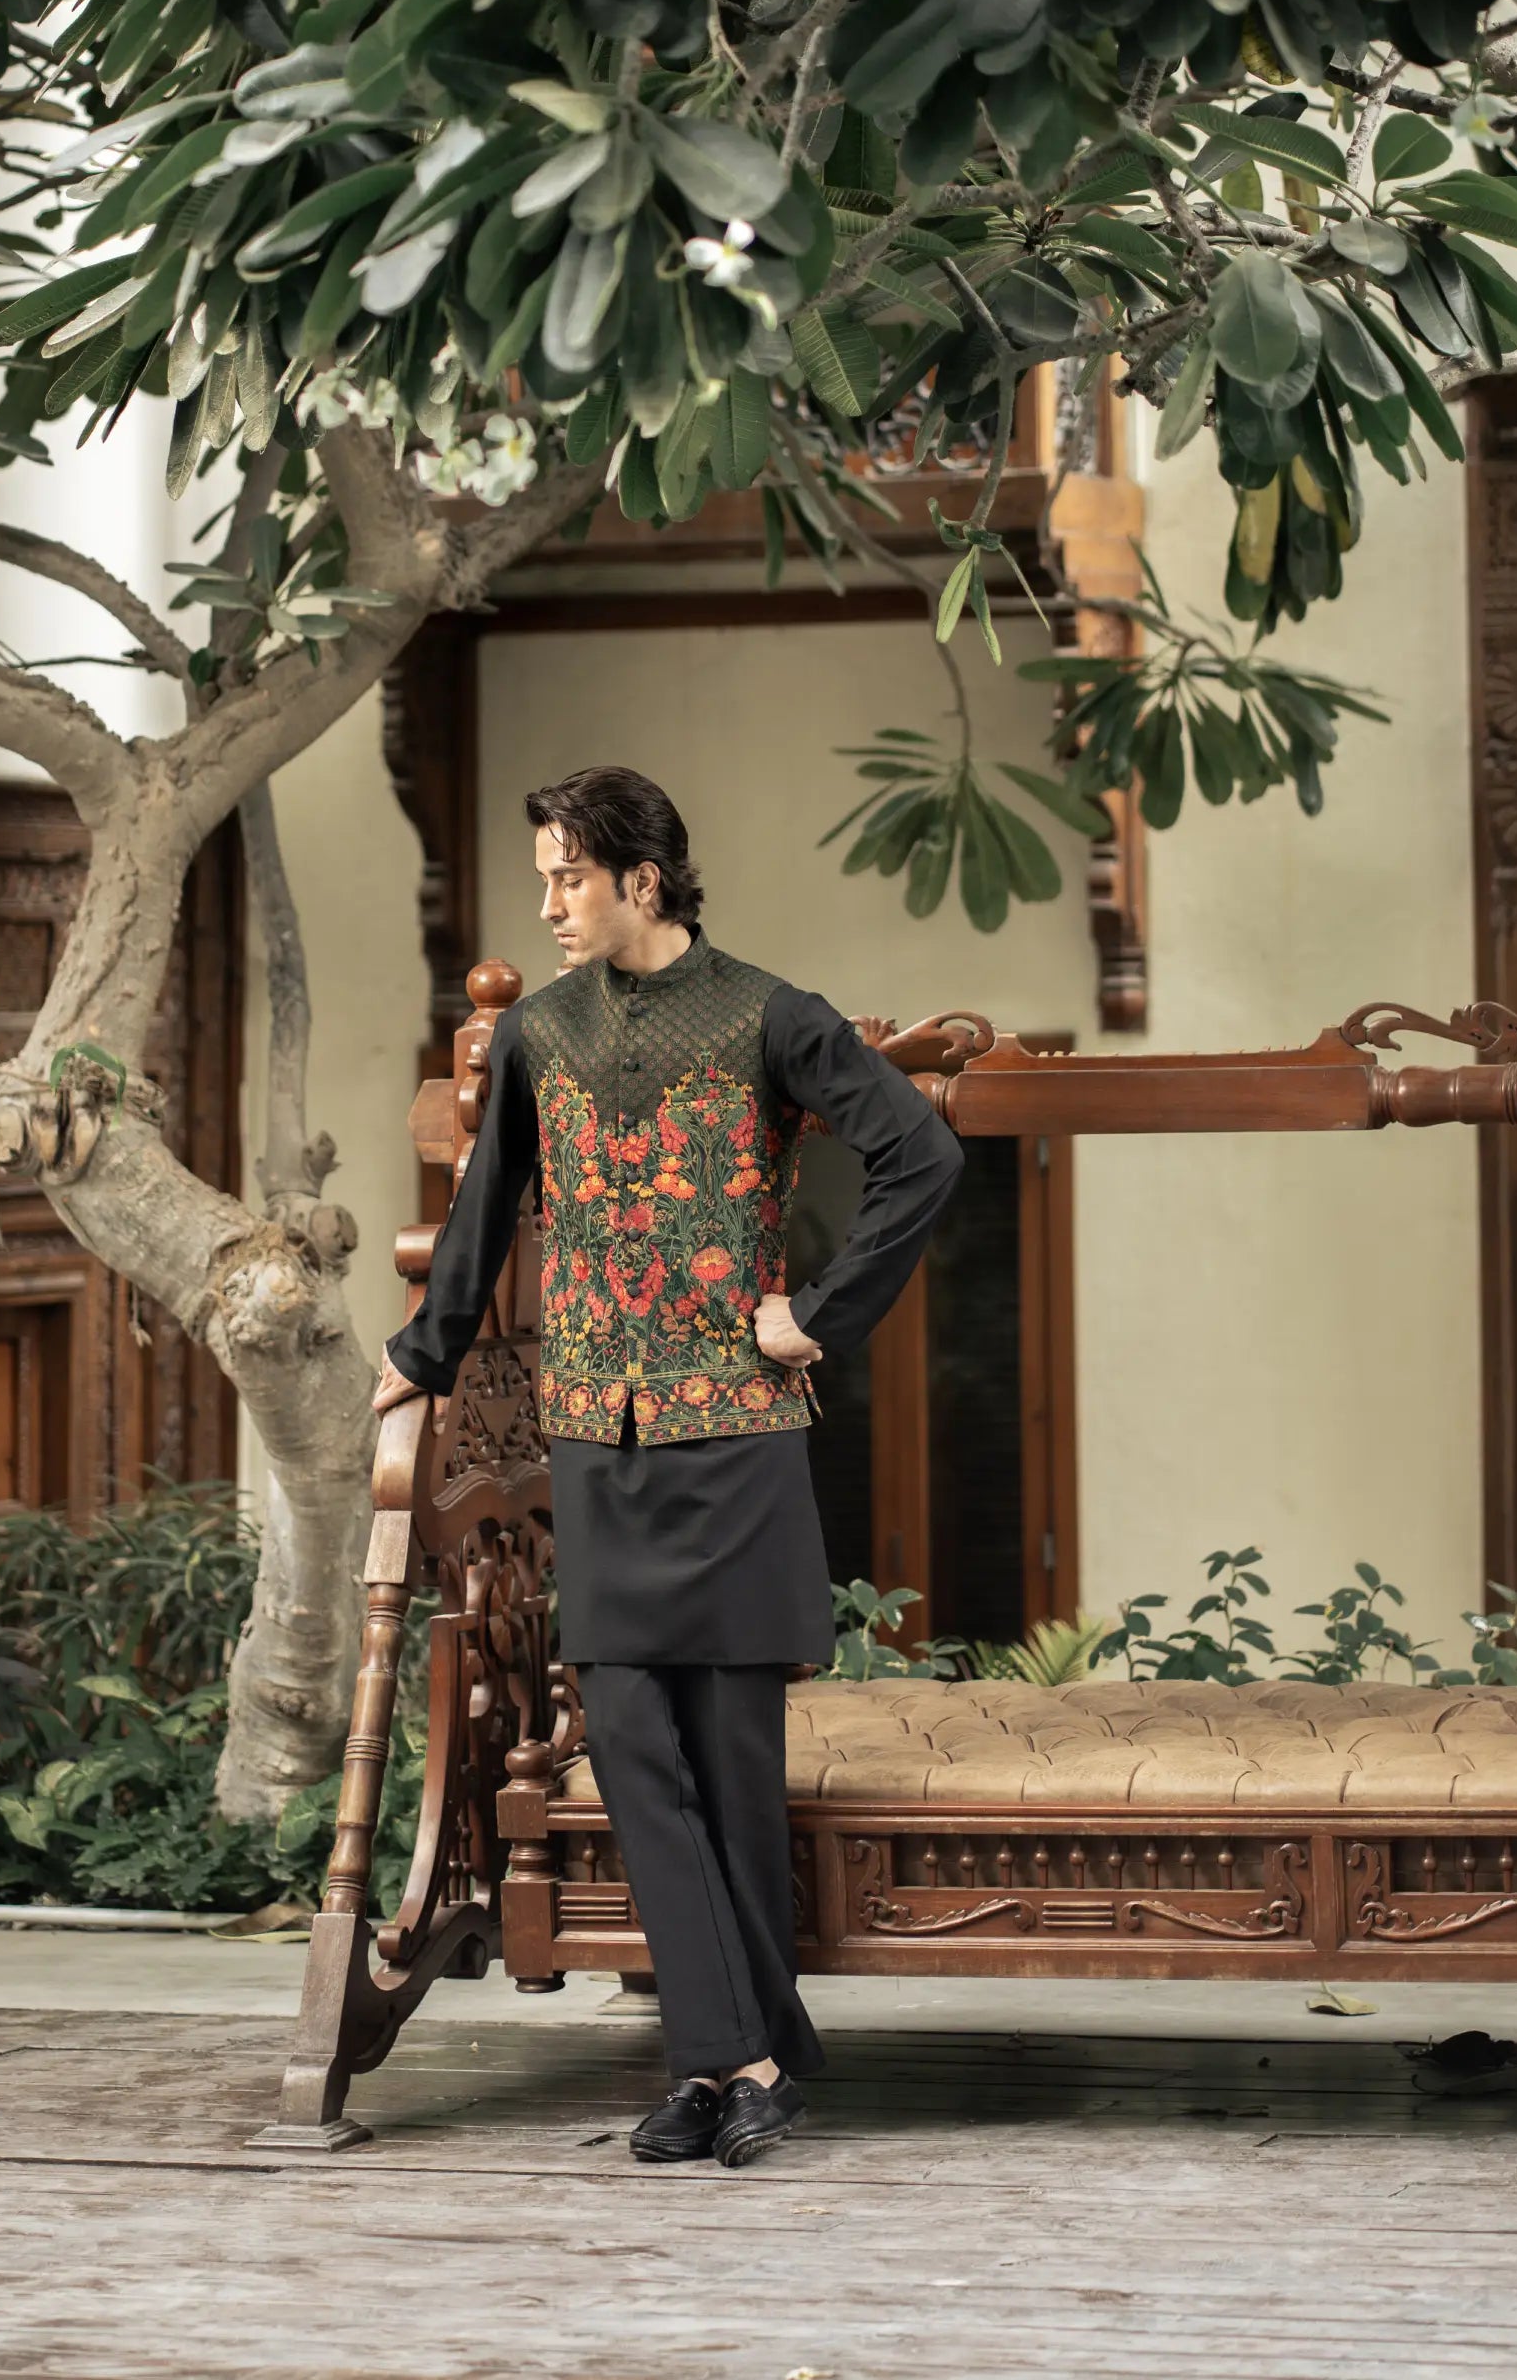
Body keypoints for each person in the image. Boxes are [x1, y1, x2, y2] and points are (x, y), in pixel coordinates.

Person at [372, 765, 964, 2167]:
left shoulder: (771, 1017)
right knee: (632, 1742)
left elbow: (921, 1156)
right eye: (544, 879)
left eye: (569, 877)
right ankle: (745, 2052)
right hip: (600, 1439)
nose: (550, 902)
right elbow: (487, 1206)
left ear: (643, 880)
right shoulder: (537, 1033)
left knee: (729, 1763)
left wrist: (815, 1319)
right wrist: (425, 1350)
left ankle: (730, 2067)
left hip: (741, 1444)